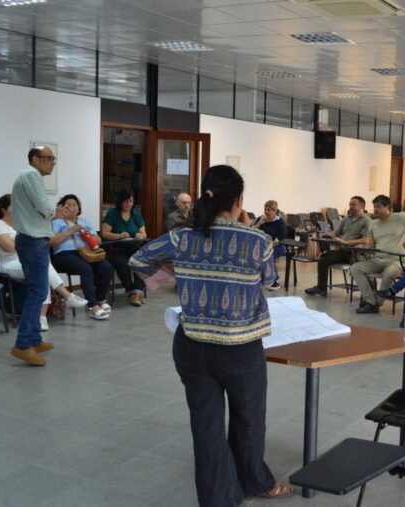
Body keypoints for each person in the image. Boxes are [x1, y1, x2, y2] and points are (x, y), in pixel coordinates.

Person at [129, 164, 293, 506]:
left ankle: (219, 499)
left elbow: (139, 259)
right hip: (240, 348)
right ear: (239, 201)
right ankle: (256, 482)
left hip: (192, 346)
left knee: (206, 427)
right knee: (248, 421)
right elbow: (270, 283)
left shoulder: (181, 236)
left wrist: (175, 277)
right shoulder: (258, 240)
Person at [0, 194, 88, 331]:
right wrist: (28, 243)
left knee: (42, 271)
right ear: (4, 209)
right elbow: (9, 247)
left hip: (26, 261)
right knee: (41, 267)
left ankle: (42, 318)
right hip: (9, 265)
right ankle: (66, 296)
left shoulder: (20, 225)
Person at [8, 146, 59, 366]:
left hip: (33, 241)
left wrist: (51, 209)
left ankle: (34, 339)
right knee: (36, 292)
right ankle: (23, 345)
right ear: (35, 160)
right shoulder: (31, 175)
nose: (53, 162)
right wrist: (54, 210)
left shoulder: (29, 176)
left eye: (53, 158)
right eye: (49, 158)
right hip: (32, 241)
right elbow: (45, 208)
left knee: (38, 291)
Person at [349, 194, 405, 314]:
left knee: (389, 273)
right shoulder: (374, 224)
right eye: (374, 207)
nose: (375, 210)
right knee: (355, 268)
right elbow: (372, 244)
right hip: (378, 259)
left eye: (379, 207)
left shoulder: (400, 217)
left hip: (397, 261)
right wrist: (363, 247)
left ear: (387, 207)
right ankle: (371, 302)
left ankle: (377, 304)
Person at [50, 194, 115, 321]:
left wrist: (92, 237)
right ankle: (93, 307)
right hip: (64, 255)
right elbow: (51, 242)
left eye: (74, 205)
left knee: (106, 267)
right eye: (67, 205)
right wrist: (71, 230)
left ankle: (100, 299)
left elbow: (98, 241)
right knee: (85, 269)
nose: (71, 207)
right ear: (61, 208)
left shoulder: (84, 222)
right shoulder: (56, 222)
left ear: (79, 209)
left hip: (86, 253)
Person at [304, 196, 370, 297]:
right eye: (350, 204)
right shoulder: (346, 219)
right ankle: (321, 288)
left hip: (356, 253)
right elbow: (335, 233)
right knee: (323, 259)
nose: (350, 207)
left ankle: (368, 295)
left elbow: (365, 240)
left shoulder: (366, 220)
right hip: (343, 251)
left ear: (362, 206)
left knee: (359, 270)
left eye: (353, 204)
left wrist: (344, 241)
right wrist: (325, 234)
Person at [100, 189, 148, 306]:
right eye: (126, 201)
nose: (128, 204)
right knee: (123, 264)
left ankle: (136, 292)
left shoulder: (136, 213)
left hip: (133, 246)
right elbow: (105, 233)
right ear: (120, 202)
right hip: (116, 247)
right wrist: (119, 235)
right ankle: (133, 291)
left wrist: (140, 235)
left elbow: (144, 233)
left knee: (141, 260)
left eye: (131, 201)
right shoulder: (113, 213)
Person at [252, 199, 287, 291]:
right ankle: (257, 278)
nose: (266, 212)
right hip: (262, 247)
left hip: (278, 246)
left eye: (269, 210)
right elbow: (252, 231)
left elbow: (281, 237)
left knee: (268, 255)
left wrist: (268, 246)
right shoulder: (261, 219)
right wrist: (259, 223)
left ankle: (275, 280)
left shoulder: (280, 222)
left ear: (275, 211)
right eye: (265, 210)